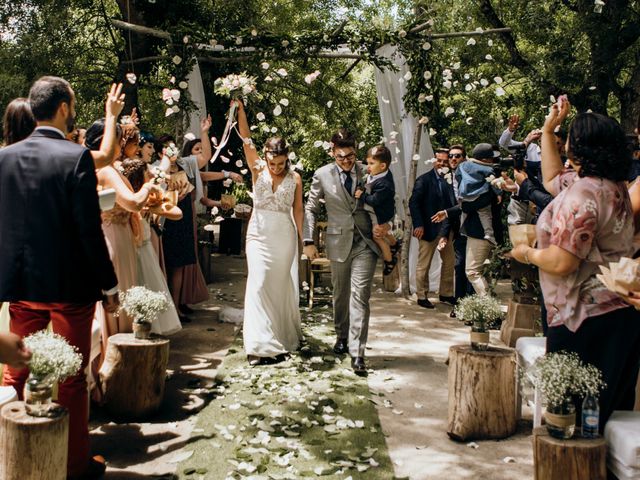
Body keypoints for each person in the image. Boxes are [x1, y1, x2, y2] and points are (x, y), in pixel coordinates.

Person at [0, 76, 119, 479]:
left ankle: (11, 455)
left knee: (16, 370)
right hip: (70, 287)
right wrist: (110, 285)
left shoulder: (6, 157)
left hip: (22, 286)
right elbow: (88, 230)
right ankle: (74, 464)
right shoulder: (75, 157)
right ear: (64, 108)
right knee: (71, 375)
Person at [511, 98, 640, 428]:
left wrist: (526, 253)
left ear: (580, 147)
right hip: (618, 317)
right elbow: (553, 177)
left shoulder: (584, 196)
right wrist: (548, 128)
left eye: (568, 135)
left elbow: (562, 262)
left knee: (573, 422)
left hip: (584, 321)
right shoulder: (613, 187)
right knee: (604, 420)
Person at [303, 128, 386, 374]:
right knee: (341, 294)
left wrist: (386, 225)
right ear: (332, 153)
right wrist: (308, 240)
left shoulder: (368, 170)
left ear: (355, 151)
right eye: (341, 157)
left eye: (350, 156)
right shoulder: (321, 175)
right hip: (337, 242)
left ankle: (357, 351)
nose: (346, 161)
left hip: (365, 243)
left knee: (360, 295)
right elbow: (311, 209)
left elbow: (385, 196)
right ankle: (341, 335)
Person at [236, 100, 303, 364]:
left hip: (284, 236)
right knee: (258, 282)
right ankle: (257, 345)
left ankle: (277, 336)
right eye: (272, 162)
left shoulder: (295, 178)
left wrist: (303, 240)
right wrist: (241, 110)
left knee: (277, 286)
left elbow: (298, 210)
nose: (276, 167)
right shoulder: (257, 168)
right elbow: (246, 141)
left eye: (281, 163)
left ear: (287, 158)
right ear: (265, 157)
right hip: (259, 233)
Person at [121, 158, 183, 336]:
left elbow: (177, 213)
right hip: (128, 254)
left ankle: (149, 332)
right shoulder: (125, 198)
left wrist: (155, 208)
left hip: (146, 253)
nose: (151, 179)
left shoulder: (149, 198)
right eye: (148, 176)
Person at [409, 148, 456, 309]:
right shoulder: (424, 180)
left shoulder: (451, 180)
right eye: (439, 160)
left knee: (449, 262)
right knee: (424, 264)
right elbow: (413, 203)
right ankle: (422, 295)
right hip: (427, 228)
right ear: (434, 160)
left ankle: (446, 294)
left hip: (446, 229)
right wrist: (419, 224)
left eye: (445, 161)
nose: (442, 164)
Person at [354, 144, 399, 275]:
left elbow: (374, 201)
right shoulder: (379, 172)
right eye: (367, 163)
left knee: (377, 236)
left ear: (383, 166)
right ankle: (394, 243)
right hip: (384, 210)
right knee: (384, 232)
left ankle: (389, 260)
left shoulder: (384, 184)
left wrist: (362, 195)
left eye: (371, 163)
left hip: (380, 213)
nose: (367, 166)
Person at [455, 143, 502, 245]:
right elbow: (493, 182)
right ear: (485, 159)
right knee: (485, 213)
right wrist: (499, 193)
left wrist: (462, 186)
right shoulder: (488, 169)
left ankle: (461, 229)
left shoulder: (463, 165)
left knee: (463, 212)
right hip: (479, 195)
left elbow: (458, 176)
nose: (492, 160)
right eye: (491, 158)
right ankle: (489, 234)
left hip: (463, 196)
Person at [447, 145, 474, 312]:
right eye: (451, 156)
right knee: (459, 265)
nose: (453, 159)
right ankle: (459, 304)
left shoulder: (471, 176)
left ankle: (470, 304)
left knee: (471, 268)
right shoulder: (445, 179)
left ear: (464, 158)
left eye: (457, 156)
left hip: (473, 226)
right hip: (457, 229)